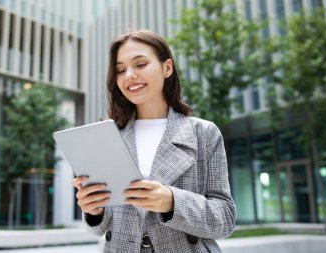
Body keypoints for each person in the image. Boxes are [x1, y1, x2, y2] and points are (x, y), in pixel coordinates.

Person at [72, 29, 236, 253]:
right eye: (121, 69)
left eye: (140, 64)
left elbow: (224, 218)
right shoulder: (109, 138)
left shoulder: (203, 133)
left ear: (167, 67)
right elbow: (100, 228)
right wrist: (94, 210)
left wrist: (171, 201)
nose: (129, 75)